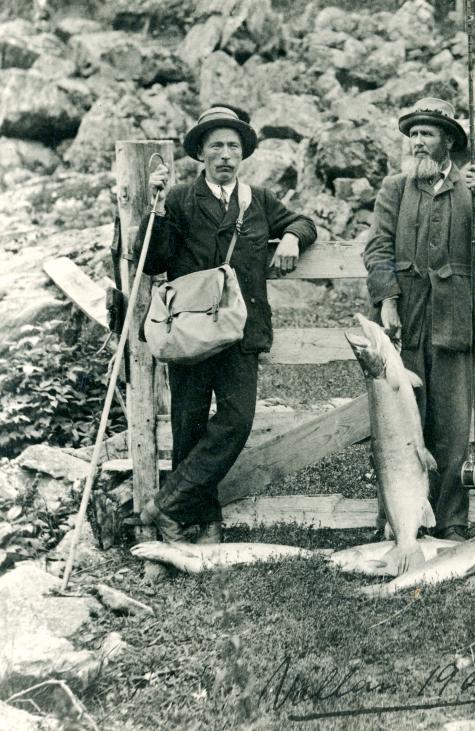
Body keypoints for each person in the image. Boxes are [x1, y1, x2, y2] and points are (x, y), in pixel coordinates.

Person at [137, 105, 317, 544]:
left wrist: (292, 236)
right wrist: (155, 208)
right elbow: (153, 259)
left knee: (237, 420)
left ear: (243, 154)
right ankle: (200, 524)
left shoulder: (257, 201)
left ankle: (166, 505)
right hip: (190, 332)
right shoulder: (178, 199)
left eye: (232, 146)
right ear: (200, 153)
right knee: (189, 426)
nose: (224, 155)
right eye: (215, 145)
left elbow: (304, 221)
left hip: (240, 332)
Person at [363, 97, 475, 542]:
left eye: (428, 134)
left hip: (454, 322)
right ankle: (397, 517)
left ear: (448, 141)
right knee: (399, 422)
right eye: (414, 134)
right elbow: (377, 248)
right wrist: (388, 299)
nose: (419, 142)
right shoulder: (395, 187)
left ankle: (451, 523)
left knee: (451, 428)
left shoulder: (471, 187)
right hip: (406, 321)